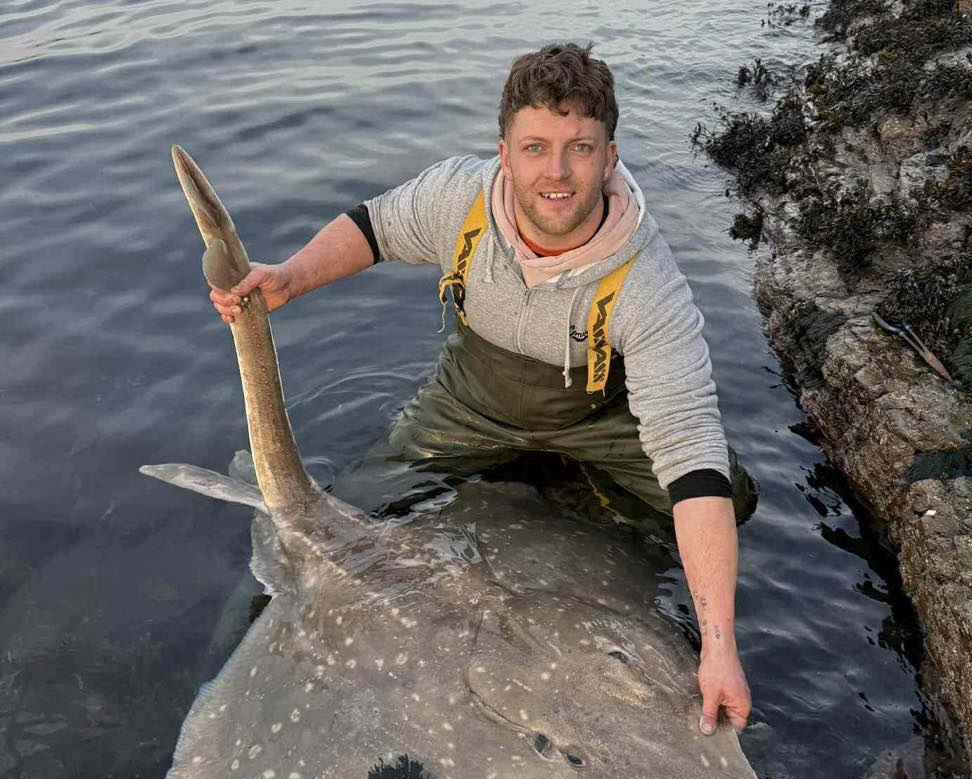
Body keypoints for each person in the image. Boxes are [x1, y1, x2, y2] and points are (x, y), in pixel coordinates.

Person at [210, 42, 754, 737]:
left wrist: (719, 644)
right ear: (505, 154)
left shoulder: (649, 285)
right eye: (535, 148)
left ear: (609, 159)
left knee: (731, 495)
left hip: (595, 419)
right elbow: (375, 228)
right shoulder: (458, 198)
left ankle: (581, 490)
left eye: (579, 148)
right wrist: (290, 277)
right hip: (470, 404)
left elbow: (690, 452)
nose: (556, 172)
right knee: (340, 517)